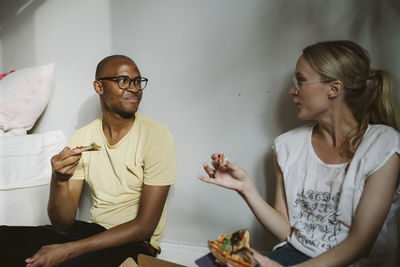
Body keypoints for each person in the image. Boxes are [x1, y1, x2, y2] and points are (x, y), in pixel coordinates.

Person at [199, 40, 400, 266]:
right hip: (292, 255)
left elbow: (360, 243)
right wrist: (246, 188)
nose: (292, 90)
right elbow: (287, 232)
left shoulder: (382, 144)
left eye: (301, 80)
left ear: (335, 88)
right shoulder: (287, 146)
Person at [0, 55, 177, 267]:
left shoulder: (158, 136)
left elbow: (145, 225)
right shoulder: (82, 137)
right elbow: (62, 226)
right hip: (91, 232)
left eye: (137, 81)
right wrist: (60, 180)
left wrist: (67, 250)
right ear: (99, 87)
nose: (134, 88)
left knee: (61, 262)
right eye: (123, 80)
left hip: (134, 242)